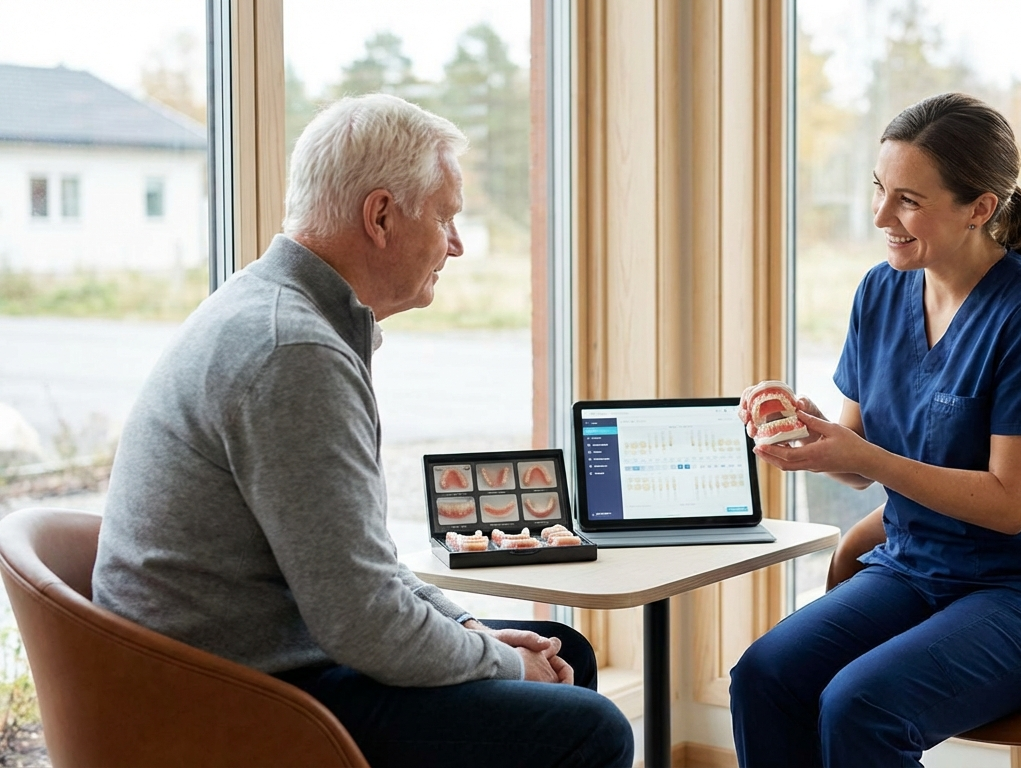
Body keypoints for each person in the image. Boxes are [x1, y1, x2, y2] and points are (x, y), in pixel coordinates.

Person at [92, 93, 633, 768]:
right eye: (446, 217)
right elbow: (363, 622)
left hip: (255, 654)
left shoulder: (271, 309)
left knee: (565, 652)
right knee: (592, 729)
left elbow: (361, 569)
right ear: (380, 215)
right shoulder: (293, 352)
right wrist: (501, 662)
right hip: (240, 695)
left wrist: (470, 630)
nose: (456, 245)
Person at [729, 93, 1021, 767]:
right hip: (913, 569)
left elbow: (1009, 503)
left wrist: (866, 456)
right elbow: (858, 461)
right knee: (765, 676)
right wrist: (815, 437)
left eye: (908, 200)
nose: (881, 217)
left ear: (980, 208)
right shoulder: (881, 291)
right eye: (880, 190)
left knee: (861, 707)